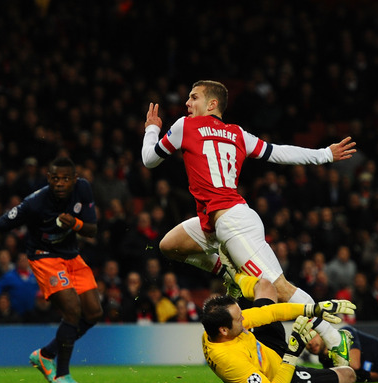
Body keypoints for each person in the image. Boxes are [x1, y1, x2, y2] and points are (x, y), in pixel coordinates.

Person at [141, 79, 357, 365]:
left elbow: (148, 159)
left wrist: (152, 129)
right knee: (169, 245)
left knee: (278, 287)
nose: (187, 103)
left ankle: (333, 336)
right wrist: (324, 154)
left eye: (194, 98)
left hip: (232, 222)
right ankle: (227, 271)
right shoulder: (238, 134)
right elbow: (277, 152)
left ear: (212, 104)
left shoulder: (185, 126)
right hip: (216, 222)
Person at [0, 156, 102, 383]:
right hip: (45, 257)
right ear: (48, 178)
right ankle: (62, 375)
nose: (60, 183)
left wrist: (75, 224)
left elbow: (92, 230)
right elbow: (0, 225)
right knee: (72, 310)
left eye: (65, 179)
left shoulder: (83, 188)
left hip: (72, 256)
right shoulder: (35, 203)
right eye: (55, 179)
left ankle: (46, 354)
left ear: (74, 179)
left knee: (93, 313)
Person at [201, 279, 357, 383]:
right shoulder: (231, 362)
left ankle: (230, 274)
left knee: (265, 285)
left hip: (264, 347)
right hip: (279, 375)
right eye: (238, 318)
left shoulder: (215, 329)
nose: (244, 319)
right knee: (348, 375)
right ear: (224, 330)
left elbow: (271, 313)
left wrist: (311, 309)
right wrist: (292, 354)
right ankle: (327, 360)